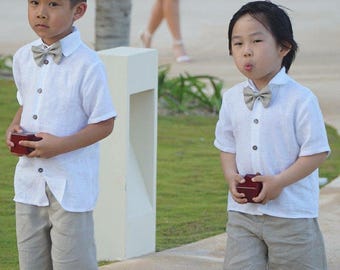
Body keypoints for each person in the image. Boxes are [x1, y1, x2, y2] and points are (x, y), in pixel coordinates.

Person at [214, 1, 330, 269]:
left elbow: (316, 151)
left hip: (291, 216)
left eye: (256, 41)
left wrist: (279, 182)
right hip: (243, 214)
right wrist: (231, 177)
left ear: (284, 47)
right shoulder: (231, 99)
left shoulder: (301, 99)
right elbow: (226, 145)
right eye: (238, 43)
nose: (246, 52)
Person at [6, 0, 117, 269]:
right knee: (31, 263)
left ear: (78, 11)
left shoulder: (88, 64)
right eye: (34, 2)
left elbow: (104, 123)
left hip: (70, 186)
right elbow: (27, 102)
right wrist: (13, 127)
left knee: (72, 263)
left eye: (53, 4)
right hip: (29, 184)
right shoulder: (23, 57)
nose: (41, 12)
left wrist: (60, 146)